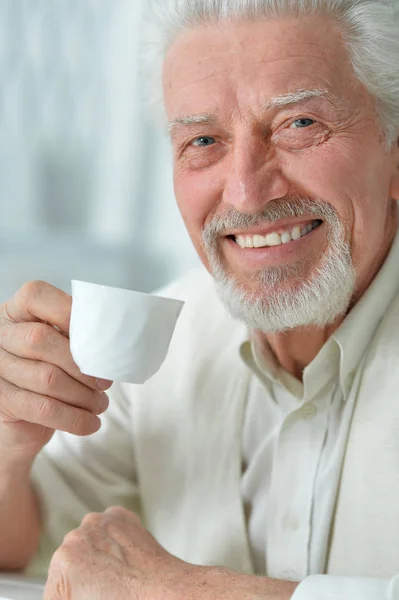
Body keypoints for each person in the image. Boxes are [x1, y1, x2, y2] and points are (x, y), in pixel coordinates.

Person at [1, 0, 399, 598]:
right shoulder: (168, 341)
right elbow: (21, 541)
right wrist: (9, 441)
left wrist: (178, 590)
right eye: (204, 138)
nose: (245, 192)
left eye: (299, 124)